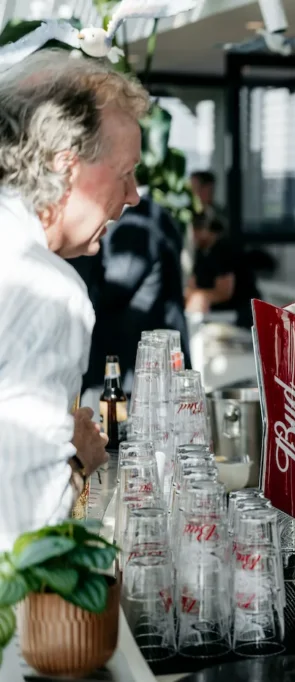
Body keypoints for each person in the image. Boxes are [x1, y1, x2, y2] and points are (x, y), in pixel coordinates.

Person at [0, 49, 149, 550]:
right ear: (66, 167)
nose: (133, 196)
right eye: (125, 172)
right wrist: (79, 454)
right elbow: (25, 530)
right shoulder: (48, 289)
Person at [69, 195, 191, 397]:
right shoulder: (154, 214)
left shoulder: (138, 225)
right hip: (149, 366)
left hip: (141, 375)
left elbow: (114, 289)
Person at [185, 210, 260, 328]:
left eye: (196, 230)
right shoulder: (201, 251)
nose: (193, 235)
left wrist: (199, 296)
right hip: (214, 313)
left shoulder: (224, 250)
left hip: (239, 314)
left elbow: (224, 292)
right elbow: (193, 283)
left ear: (206, 229)